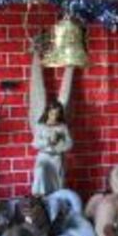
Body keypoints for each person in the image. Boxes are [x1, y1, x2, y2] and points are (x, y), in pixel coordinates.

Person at [29, 49, 74, 195]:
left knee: (57, 185)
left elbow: (69, 143)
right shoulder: (40, 126)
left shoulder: (62, 127)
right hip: (44, 157)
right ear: (48, 112)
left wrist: (59, 144)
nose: (54, 116)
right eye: (52, 113)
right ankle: (39, 198)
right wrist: (48, 142)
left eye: (57, 114)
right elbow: (35, 143)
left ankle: (56, 201)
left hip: (56, 159)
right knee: (40, 173)